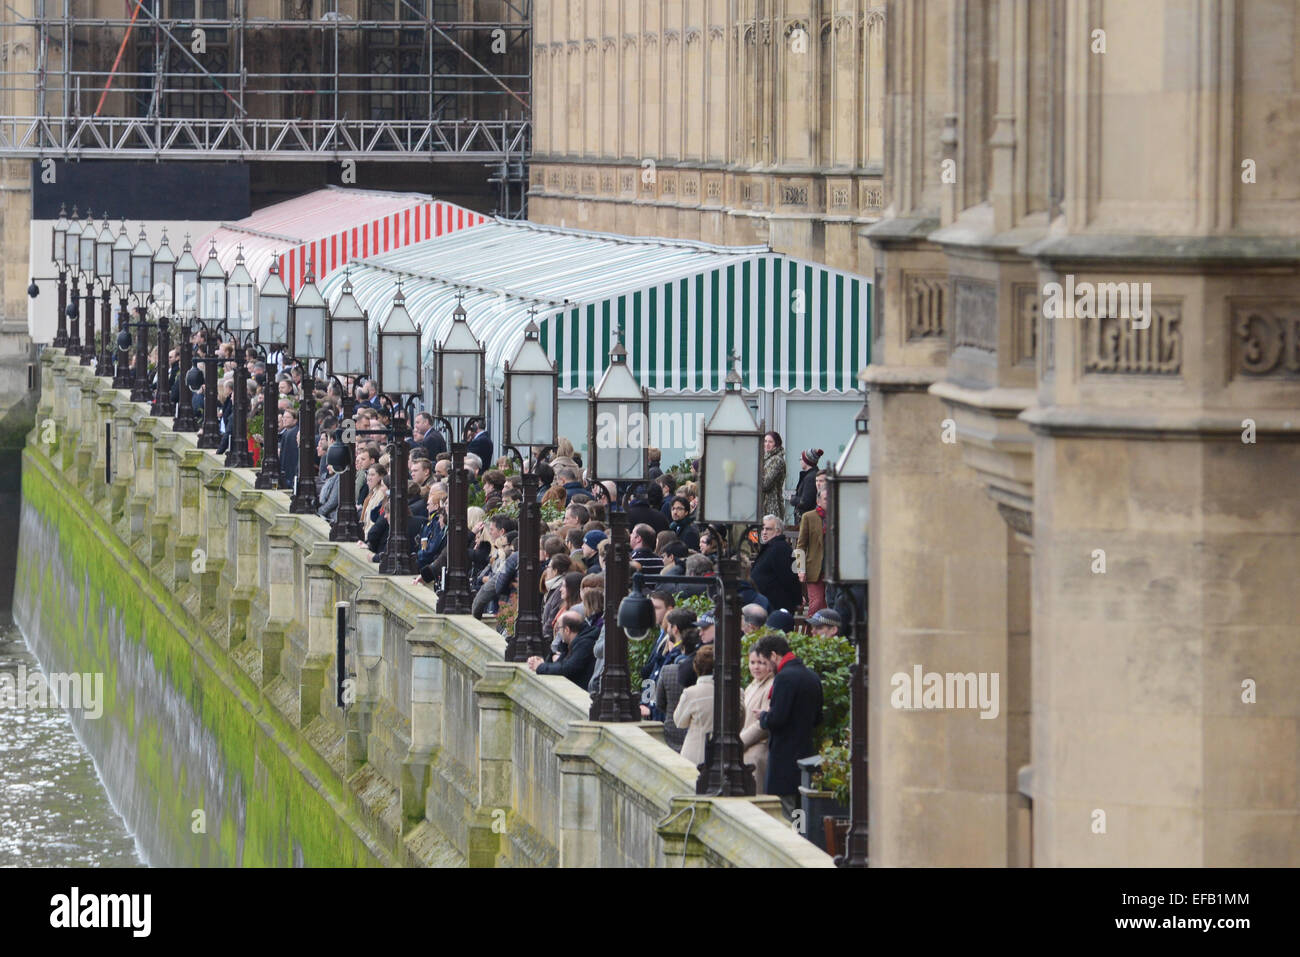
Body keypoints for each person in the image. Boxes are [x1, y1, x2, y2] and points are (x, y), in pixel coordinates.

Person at [756, 633, 824, 816]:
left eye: (765, 661)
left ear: (773, 655)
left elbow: (777, 719)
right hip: (805, 756)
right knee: (800, 815)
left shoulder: (784, 678)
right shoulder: (812, 676)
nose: (767, 668)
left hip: (784, 758)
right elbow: (818, 718)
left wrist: (763, 716)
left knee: (785, 813)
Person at [654, 616, 699, 753]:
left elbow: (659, 702)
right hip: (694, 737)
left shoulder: (668, 670)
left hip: (671, 732)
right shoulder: (705, 675)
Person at [528, 611, 596, 689]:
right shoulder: (574, 641)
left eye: (559, 628)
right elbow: (562, 663)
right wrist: (544, 663)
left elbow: (567, 668)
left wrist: (540, 667)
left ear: (567, 630)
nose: (558, 632)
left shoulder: (586, 643)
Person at [673, 645, 716, 766]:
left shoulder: (691, 693)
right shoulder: (738, 692)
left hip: (695, 753)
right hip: (727, 756)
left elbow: (679, 722)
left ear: (696, 666)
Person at [740, 647, 775, 793]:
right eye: (752, 662)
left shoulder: (771, 685)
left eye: (761, 662)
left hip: (758, 750)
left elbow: (763, 723)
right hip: (746, 748)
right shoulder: (752, 685)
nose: (756, 667)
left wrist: (741, 741)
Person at [751, 513, 801, 613]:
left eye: (768, 529)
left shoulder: (780, 548)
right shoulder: (770, 547)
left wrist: (797, 600)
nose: (764, 532)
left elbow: (789, 578)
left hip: (776, 607)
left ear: (778, 531)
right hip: (764, 604)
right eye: (762, 529)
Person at [797, 476, 828, 615]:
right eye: (826, 499)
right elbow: (801, 545)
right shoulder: (809, 517)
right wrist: (800, 569)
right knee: (816, 603)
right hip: (815, 568)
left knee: (831, 603)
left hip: (833, 568)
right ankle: (812, 633)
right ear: (818, 501)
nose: (830, 502)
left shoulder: (838, 516)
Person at [761, 431, 787, 525]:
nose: (767, 444)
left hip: (772, 506)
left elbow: (765, 484)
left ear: (776, 444)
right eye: (765, 441)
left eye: (770, 442)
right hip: (763, 506)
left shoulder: (777, 460)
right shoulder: (765, 459)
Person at [791, 449, 823, 521]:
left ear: (806, 461)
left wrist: (793, 499)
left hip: (805, 518)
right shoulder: (812, 475)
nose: (800, 461)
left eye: (801, 459)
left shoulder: (810, 478)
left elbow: (805, 502)